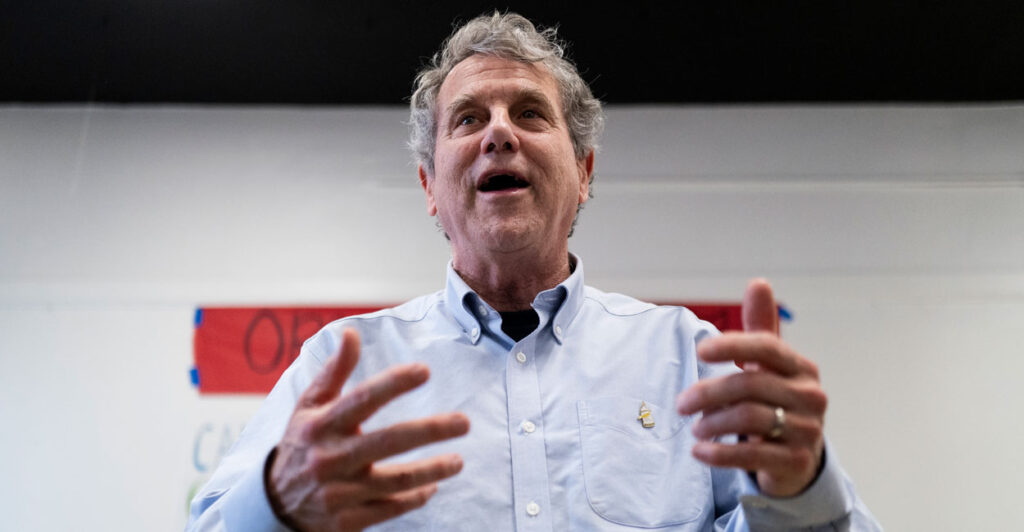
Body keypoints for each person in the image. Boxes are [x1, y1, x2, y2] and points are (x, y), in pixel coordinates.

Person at [187, 12, 880, 531]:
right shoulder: (344, 372)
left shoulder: (690, 361)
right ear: (430, 186)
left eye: (528, 112)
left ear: (583, 174)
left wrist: (799, 491)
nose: (499, 133)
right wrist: (275, 505)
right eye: (467, 119)